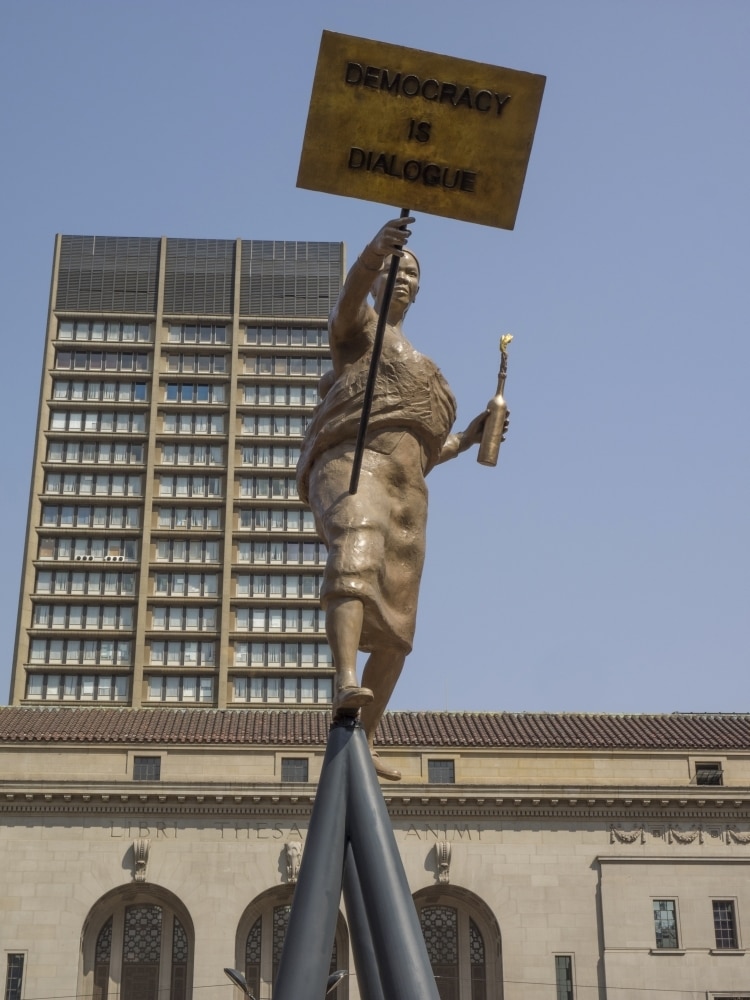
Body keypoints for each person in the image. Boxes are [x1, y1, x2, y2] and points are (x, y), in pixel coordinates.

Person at [296, 216, 507, 780]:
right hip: (355, 464)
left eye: (413, 272)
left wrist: (469, 436)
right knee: (354, 560)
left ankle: (365, 735)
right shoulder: (361, 331)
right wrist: (372, 253)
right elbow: (342, 308)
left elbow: (424, 450)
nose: (407, 278)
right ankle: (345, 679)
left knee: (399, 623)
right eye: (398, 268)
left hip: (408, 485)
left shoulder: (422, 362)